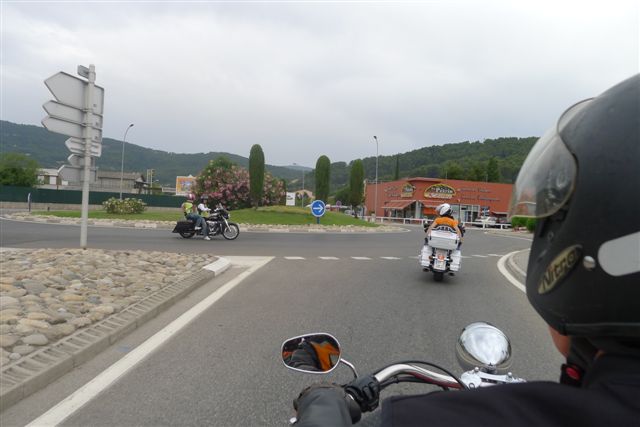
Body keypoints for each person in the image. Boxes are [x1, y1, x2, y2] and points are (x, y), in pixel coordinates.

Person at [291, 74, 640, 426]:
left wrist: (321, 406)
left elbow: (434, 233)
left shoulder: (432, 419)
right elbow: (456, 236)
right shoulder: (453, 222)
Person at [423, 203, 463, 271]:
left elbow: (431, 227)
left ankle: (428, 261)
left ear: (442, 211)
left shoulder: (438, 220)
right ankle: (452, 265)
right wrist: (461, 240)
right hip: (449, 244)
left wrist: (426, 236)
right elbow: (458, 230)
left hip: (436, 242)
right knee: (456, 249)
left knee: (428, 245)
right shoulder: (453, 221)